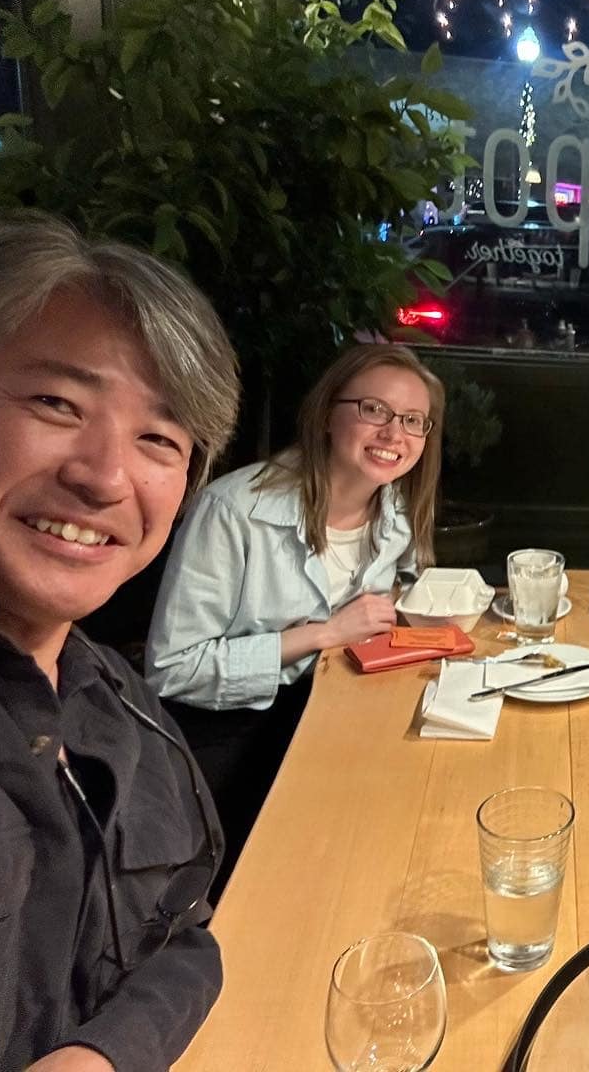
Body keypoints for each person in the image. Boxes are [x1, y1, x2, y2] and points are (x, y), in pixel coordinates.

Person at [0, 209, 239, 1069]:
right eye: (57, 402)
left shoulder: (106, 696)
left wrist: (103, 1052)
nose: (104, 475)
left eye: (157, 438)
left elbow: (181, 940)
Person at [145, 344, 444, 888]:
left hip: (335, 718)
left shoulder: (395, 507)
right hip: (236, 737)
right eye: (374, 410)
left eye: (412, 421)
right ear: (328, 412)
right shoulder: (234, 509)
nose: (393, 434)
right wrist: (324, 633)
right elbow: (171, 668)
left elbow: (390, 599)